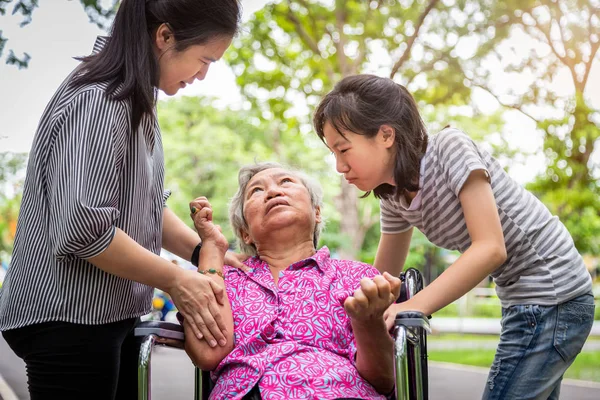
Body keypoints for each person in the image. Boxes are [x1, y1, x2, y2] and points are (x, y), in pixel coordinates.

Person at [0, 1, 243, 398]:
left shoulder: (134, 99)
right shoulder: (100, 99)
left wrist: (202, 251)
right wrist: (176, 279)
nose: (202, 75)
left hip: (109, 314)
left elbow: (145, 206)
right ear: (164, 36)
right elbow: (82, 229)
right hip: (69, 316)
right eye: (204, 60)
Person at [313, 74, 595, 400]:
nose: (338, 166)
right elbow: (382, 279)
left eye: (343, 149)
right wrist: (358, 314)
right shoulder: (393, 197)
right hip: (524, 301)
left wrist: (413, 306)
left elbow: (490, 248)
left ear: (386, 135)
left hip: (553, 293)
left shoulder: (449, 148)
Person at [183, 162, 400, 400]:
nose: (274, 192)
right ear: (245, 232)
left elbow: (382, 380)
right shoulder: (227, 279)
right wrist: (212, 249)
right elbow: (207, 353)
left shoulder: (357, 277)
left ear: (316, 212)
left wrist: (367, 322)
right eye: (256, 190)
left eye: (286, 182)